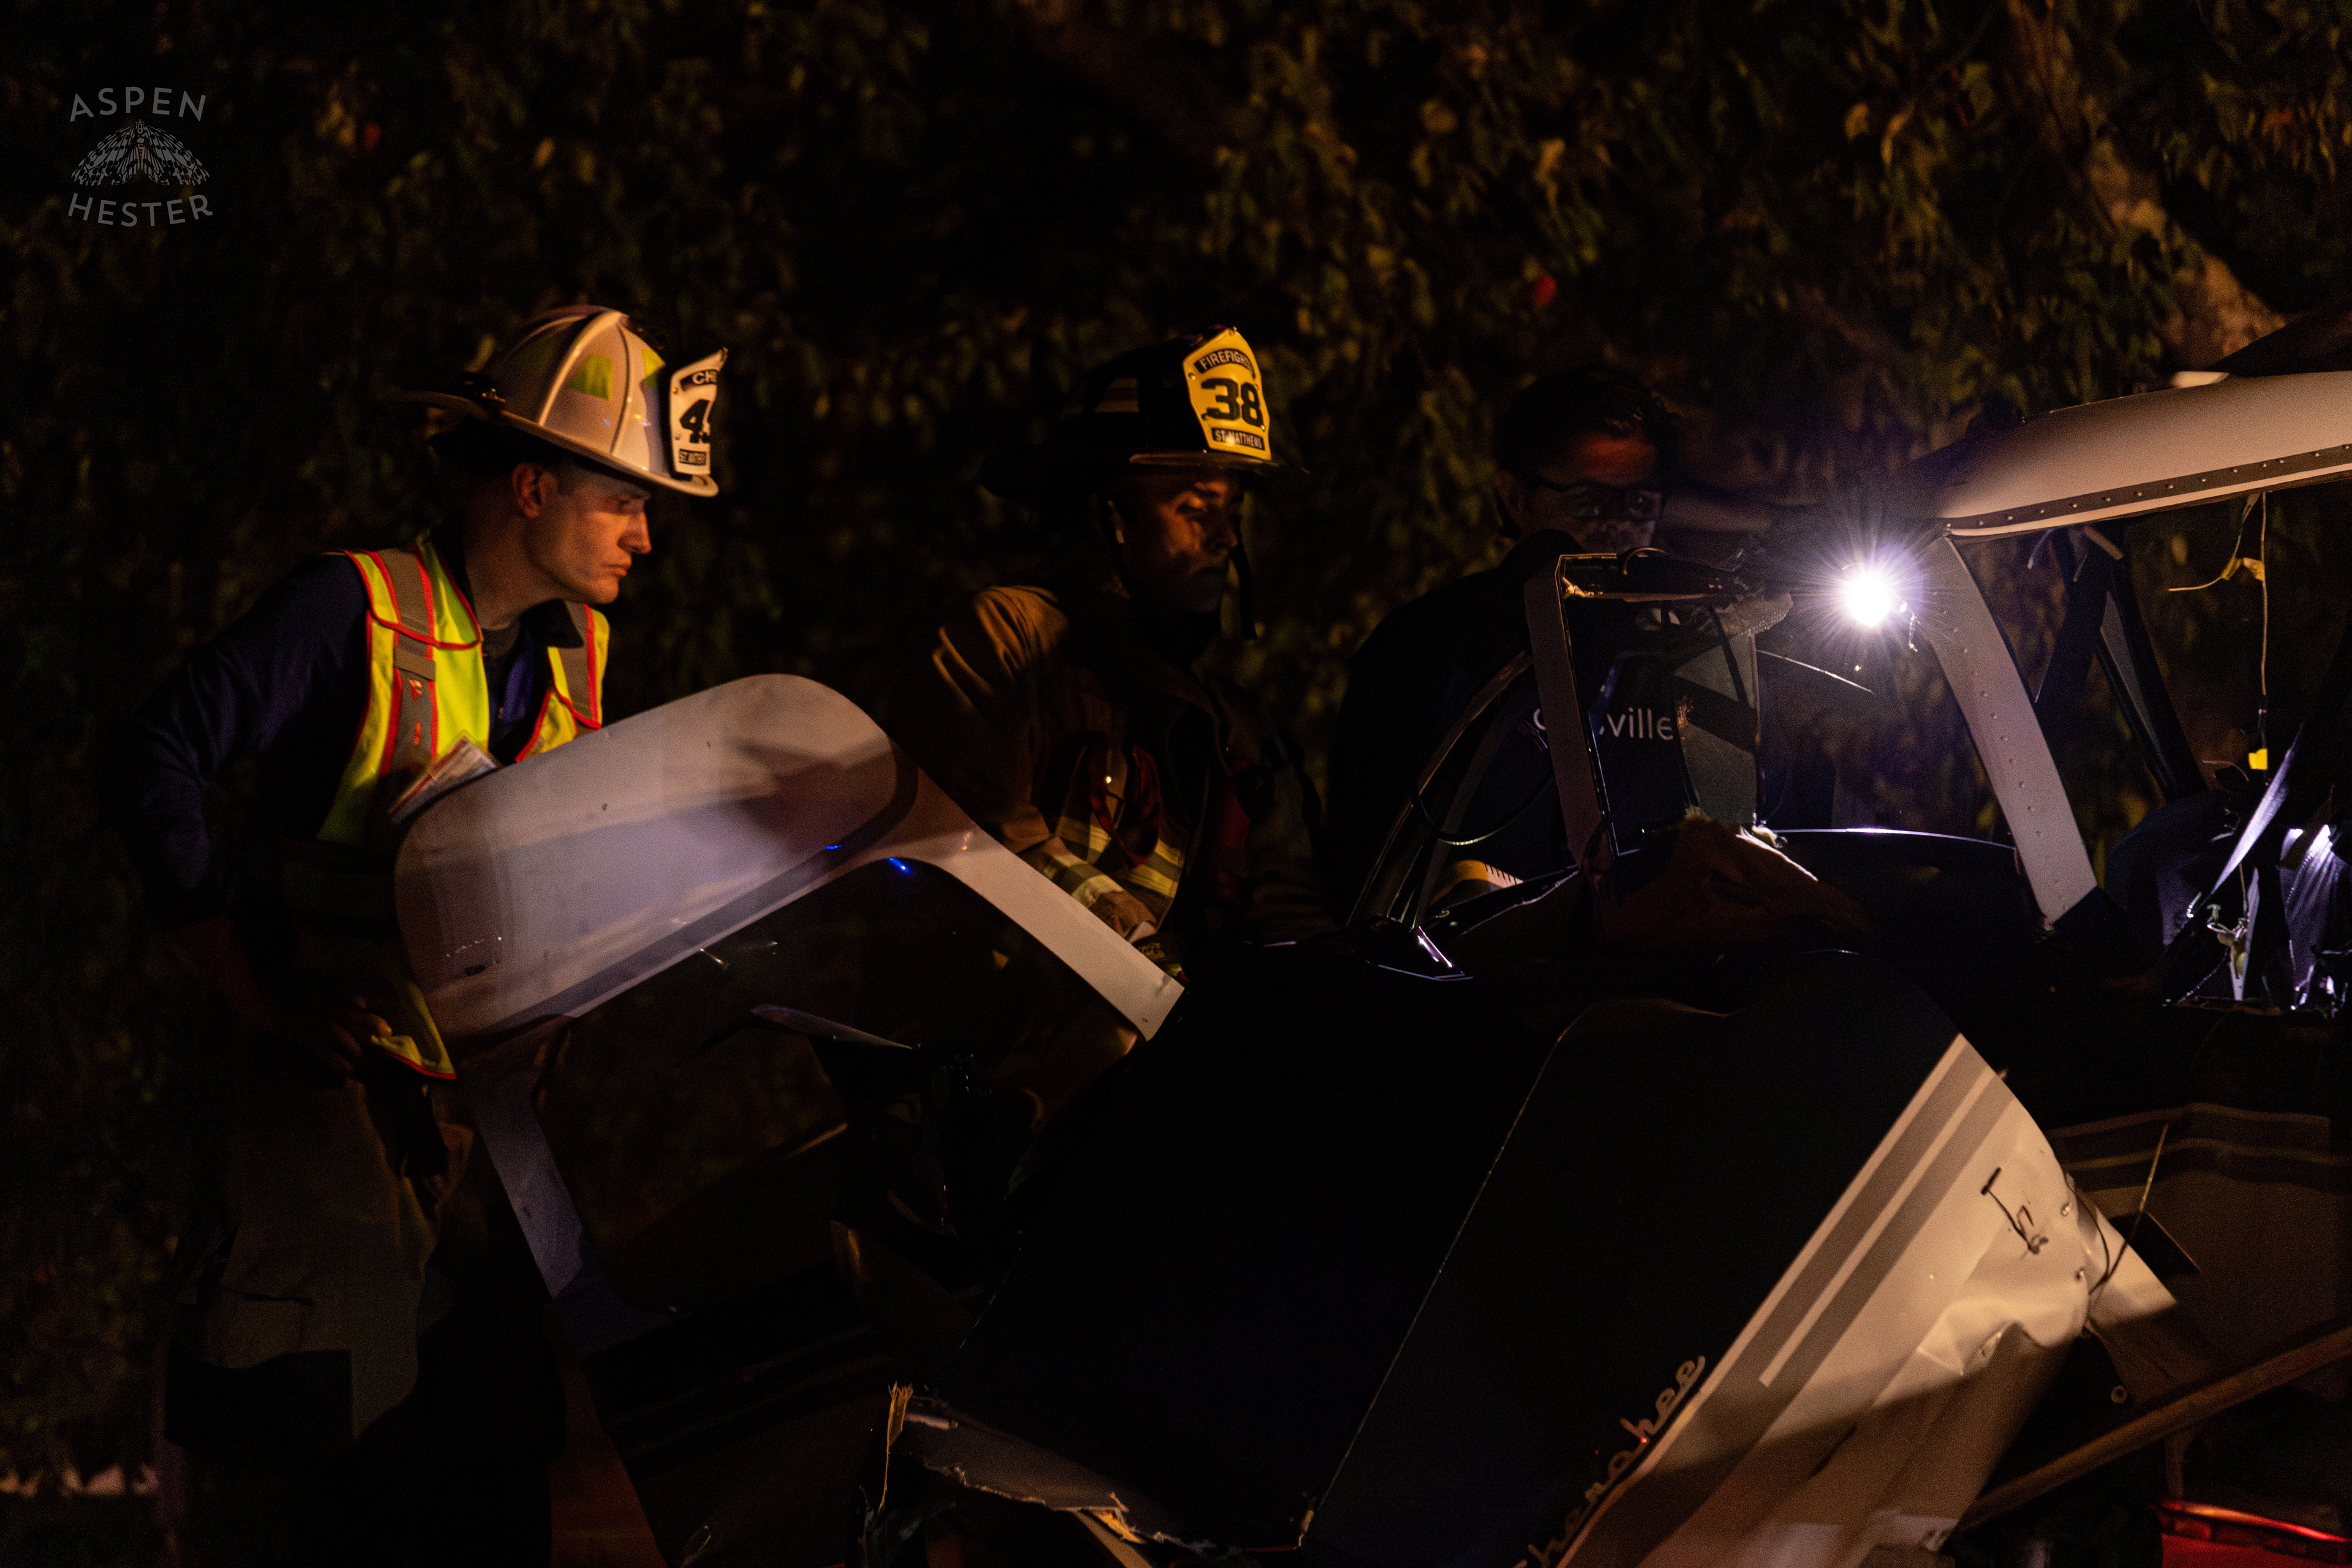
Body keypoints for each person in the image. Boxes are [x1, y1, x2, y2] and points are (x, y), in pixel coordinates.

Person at [107, 306, 726, 1565]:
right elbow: (154, 756)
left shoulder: (582, 657)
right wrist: (253, 991)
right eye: (624, 501)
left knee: (499, 1461)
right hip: (321, 1114)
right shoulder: (350, 610)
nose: (646, 536)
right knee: (333, 1467)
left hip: (474, 1137)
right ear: (533, 483)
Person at [894, 326, 1330, 1008]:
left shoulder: (1239, 734)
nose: (1225, 537)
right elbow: (985, 840)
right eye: (1195, 508)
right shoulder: (1007, 642)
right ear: (1108, 515)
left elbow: (1294, 921)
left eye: (1233, 510)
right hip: (1000, 1073)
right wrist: (1151, 968)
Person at [1322, 368, 1678, 911]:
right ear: (1513, 496)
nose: (1615, 526)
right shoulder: (1422, 650)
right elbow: (1362, 861)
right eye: (1585, 499)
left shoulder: (1692, 654)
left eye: (1637, 504)